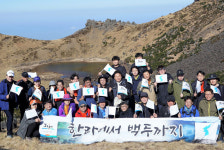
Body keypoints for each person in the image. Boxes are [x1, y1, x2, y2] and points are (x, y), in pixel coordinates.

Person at [0, 70, 18, 137]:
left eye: (12, 76)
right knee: (10, 117)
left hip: (12, 104)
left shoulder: (15, 83)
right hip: (5, 104)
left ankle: (10, 131)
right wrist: (5, 96)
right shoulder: (2, 84)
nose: (10, 78)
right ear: (6, 76)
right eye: (9, 76)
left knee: (11, 117)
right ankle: (9, 133)